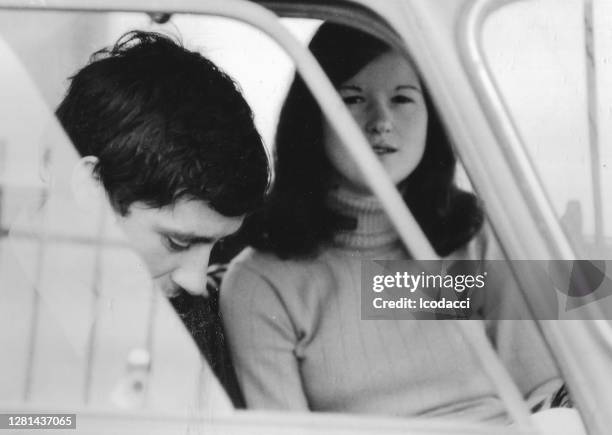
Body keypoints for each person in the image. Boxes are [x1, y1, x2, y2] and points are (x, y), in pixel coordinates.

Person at [220, 23, 564, 422]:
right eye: (352, 98)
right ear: (312, 115)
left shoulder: (475, 236)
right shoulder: (260, 282)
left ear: (431, 119)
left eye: (402, 98)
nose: (381, 120)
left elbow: (542, 393)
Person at [55, 30, 269, 407]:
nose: (195, 280)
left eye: (216, 245)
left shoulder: (193, 316)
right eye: (178, 242)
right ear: (92, 184)